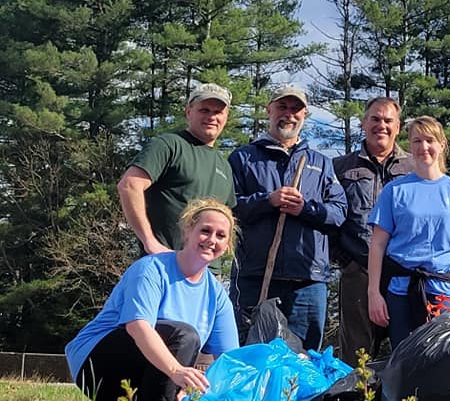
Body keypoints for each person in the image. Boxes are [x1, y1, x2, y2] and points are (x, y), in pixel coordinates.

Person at [65, 199, 240, 401]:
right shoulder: (152, 269)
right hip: (95, 366)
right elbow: (138, 327)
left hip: (153, 374)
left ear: (227, 245)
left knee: (185, 347)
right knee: (185, 336)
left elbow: (230, 360)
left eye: (220, 235)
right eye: (205, 230)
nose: (211, 240)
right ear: (188, 231)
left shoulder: (216, 294)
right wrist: (176, 372)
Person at [229, 85, 347, 351]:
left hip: (308, 281)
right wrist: (267, 201)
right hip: (256, 276)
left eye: (296, 109)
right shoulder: (243, 158)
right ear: (268, 110)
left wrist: (305, 208)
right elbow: (228, 208)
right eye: (282, 107)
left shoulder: (321, 163)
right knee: (253, 354)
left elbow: (339, 212)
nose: (289, 114)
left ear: (305, 114)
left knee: (305, 358)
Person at [367, 116, 450, 348]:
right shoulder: (394, 191)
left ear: (442, 144)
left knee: (444, 359)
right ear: (410, 146)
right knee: (404, 358)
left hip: (443, 292)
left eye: (430, 140)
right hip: (401, 292)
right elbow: (377, 244)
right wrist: (374, 293)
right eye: (417, 141)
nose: (424, 147)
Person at [332, 96, 413, 366]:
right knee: (356, 360)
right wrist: (346, 262)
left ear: (398, 127)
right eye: (375, 119)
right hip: (358, 273)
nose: (382, 125)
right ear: (363, 123)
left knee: (409, 355)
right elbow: (328, 220)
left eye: (388, 120)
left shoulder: (415, 168)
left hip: (404, 276)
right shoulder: (340, 167)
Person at [117, 83, 236, 256]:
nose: (211, 117)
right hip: (166, 261)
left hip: (207, 268)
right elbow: (129, 186)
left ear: (226, 117)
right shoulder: (168, 145)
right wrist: (149, 241)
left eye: (218, 112)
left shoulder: (224, 166)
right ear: (188, 112)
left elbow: (227, 219)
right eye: (204, 110)